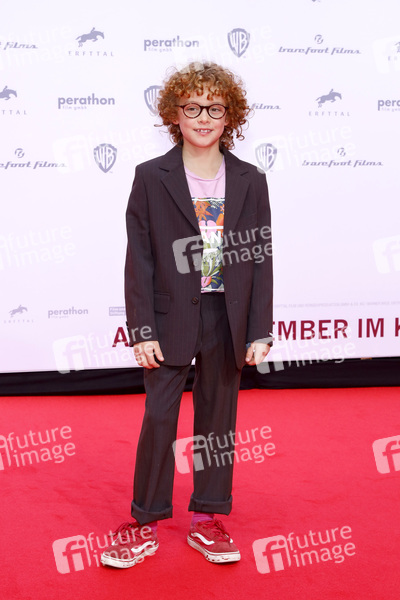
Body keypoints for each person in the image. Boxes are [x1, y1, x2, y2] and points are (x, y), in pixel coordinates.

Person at [101, 61, 273, 568]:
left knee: (218, 423)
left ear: (230, 116)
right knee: (159, 419)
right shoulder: (150, 176)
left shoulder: (250, 179)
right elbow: (139, 258)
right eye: (192, 107)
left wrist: (260, 328)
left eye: (214, 108)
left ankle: (207, 518)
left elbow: (260, 257)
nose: (203, 118)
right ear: (174, 114)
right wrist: (141, 329)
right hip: (169, 317)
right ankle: (145, 521)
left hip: (227, 316)